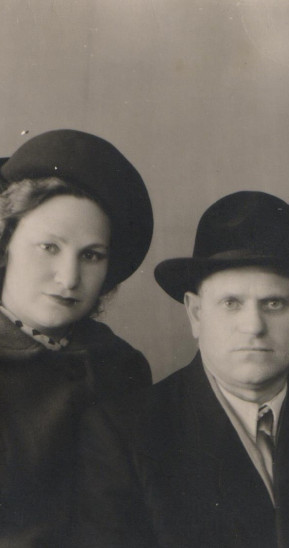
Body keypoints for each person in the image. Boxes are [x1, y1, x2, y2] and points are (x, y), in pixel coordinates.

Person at [71, 191, 289, 547]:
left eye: (274, 303)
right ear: (196, 313)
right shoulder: (126, 436)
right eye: (231, 303)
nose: (254, 326)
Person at [0, 129, 154, 546]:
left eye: (91, 255)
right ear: (6, 242)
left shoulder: (121, 365)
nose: (69, 278)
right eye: (49, 247)